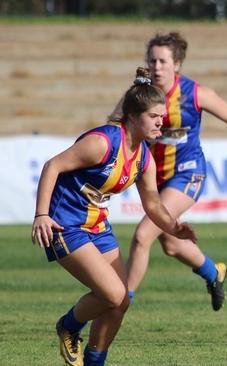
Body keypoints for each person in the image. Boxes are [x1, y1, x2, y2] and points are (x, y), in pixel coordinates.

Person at [31, 67, 197, 366]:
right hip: (65, 224)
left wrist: (174, 227)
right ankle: (68, 326)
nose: (162, 121)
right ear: (133, 116)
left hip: (97, 225)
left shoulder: (143, 156)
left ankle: (95, 362)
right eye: (154, 116)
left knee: (121, 301)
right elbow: (52, 166)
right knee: (111, 293)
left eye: (162, 116)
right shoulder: (104, 142)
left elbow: (153, 205)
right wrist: (41, 214)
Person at [122, 32, 227, 311]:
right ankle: (213, 273)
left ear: (177, 64)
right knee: (171, 244)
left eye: (163, 61)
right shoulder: (139, 96)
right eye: (153, 60)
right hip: (151, 178)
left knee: (144, 234)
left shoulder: (196, 93)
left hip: (187, 173)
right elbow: (116, 123)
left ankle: (121, 299)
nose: (157, 67)